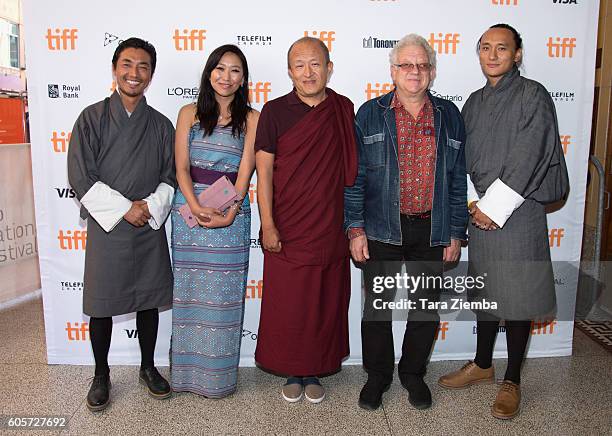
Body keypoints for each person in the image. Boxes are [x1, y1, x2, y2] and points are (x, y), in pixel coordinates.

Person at [437, 24, 569, 420]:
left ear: (517, 53)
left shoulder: (534, 95)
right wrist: (469, 208)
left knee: (518, 298)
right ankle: (481, 364)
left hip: (519, 209)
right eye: (485, 48)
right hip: (483, 212)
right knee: (487, 292)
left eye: (502, 48)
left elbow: (531, 154)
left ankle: (512, 379)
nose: (492, 55)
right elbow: (461, 158)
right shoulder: (473, 102)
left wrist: (494, 207)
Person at [344, 33, 468, 411]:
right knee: (377, 307)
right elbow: (355, 177)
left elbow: (457, 177)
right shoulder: (369, 113)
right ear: (393, 70)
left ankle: (413, 373)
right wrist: (355, 228)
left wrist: (456, 231)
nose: (414, 72)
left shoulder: (450, 115)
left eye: (422, 65)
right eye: (406, 65)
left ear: (431, 70)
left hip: (432, 228)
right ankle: (378, 376)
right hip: (382, 227)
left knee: (425, 307)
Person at [67, 37, 176, 411]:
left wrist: (147, 206)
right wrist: (125, 208)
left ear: (151, 75)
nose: (135, 73)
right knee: (101, 303)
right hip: (108, 226)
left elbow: (171, 175)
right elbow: (81, 177)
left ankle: (148, 367)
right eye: (127, 64)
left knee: (148, 301)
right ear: (115, 69)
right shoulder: (91, 118)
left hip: (148, 224)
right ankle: (101, 373)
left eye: (143, 66)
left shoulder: (162, 125)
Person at [254, 36, 357, 403]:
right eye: (299, 65)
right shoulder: (274, 111)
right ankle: (293, 370)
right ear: (289, 71)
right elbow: (263, 173)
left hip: (329, 223)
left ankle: (315, 368)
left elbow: (352, 173)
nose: (308, 72)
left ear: (329, 68)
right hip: (288, 224)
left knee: (324, 300)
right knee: (290, 302)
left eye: (316, 64)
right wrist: (268, 223)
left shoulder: (344, 108)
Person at [170, 44, 258, 398]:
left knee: (224, 302)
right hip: (189, 216)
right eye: (220, 69)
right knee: (189, 296)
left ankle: (219, 381)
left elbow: (245, 172)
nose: (226, 76)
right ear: (209, 73)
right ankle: (187, 378)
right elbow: (180, 169)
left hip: (231, 217)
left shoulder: (252, 118)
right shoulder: (187, 113)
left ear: (243, 78)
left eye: (235, 70)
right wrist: (195, 205)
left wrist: (231, 211)